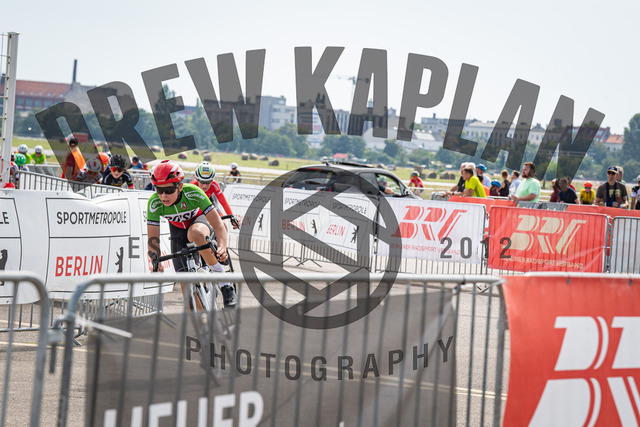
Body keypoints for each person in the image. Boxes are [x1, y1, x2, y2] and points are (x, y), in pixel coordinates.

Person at [146, 160, 236, 307]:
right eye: (159, 190)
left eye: (169, 190)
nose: (163, 196)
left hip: (198, 223)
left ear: (180, 186)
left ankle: (225, 284)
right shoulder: (154, 203)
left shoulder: (193, 193)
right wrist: (156, 262)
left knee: (195, 233)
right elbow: (153, 239)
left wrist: (222, 247)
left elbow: (219, 225)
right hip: (178, 233)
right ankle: (202, 320)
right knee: (187, 291)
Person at [191, 161, 237, 228]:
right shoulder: (192, 186)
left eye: (208, 182)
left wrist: (231, 218)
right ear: (197, 179)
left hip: (209, 203)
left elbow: (224, 203)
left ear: (212, 180)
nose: (205, 185)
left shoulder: (214, 185)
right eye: (202, 182)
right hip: (196, 207)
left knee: (223, 224)